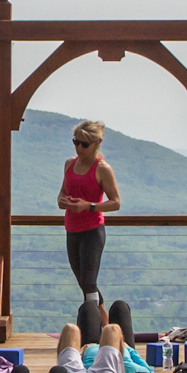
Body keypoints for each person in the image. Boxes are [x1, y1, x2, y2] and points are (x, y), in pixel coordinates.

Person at [59, 120, 120, 309]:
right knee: (83, 283)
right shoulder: (69, 164)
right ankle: (104, 324)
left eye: (84, 144)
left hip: (92, 231)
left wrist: (89, 206)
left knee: (89, 283)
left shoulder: (102, 169)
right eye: (75, 142)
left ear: (96, 144)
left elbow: (116, 202)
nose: (79, 147)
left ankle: (93, 325)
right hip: (72, 229)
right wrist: (62, 201)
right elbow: (62, 191)